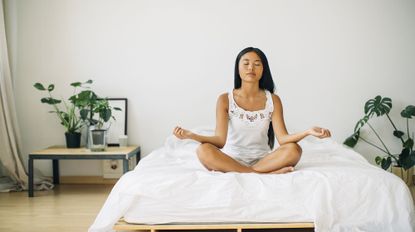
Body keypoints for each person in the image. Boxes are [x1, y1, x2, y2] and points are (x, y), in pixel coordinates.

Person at [173, 47, 331, 174]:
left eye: (257, 64)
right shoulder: (224, 99)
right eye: (246, 63)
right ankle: (262, 173)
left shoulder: (273, 100)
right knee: (203, 150)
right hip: (230, 160)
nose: (251, 68)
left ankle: (249, 171)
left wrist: (308, 132)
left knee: (294, 149)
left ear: (263, 70)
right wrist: (191, 135)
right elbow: (220, 141)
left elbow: (283, 139)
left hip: (264, 161)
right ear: (238, 68)